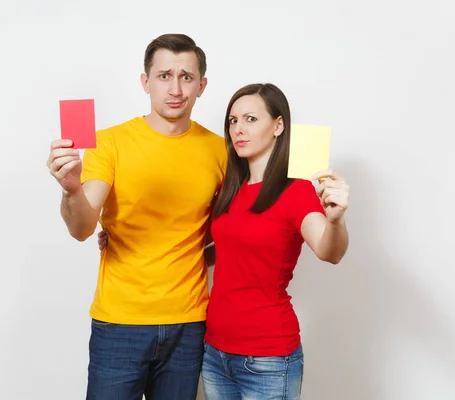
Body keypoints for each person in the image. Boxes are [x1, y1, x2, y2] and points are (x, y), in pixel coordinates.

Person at [98, 82, 350, 399]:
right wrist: (126, 235)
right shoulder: (230, 188)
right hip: (215, 352)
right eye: (232, 120)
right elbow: (214, 247)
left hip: (268, 358)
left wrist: (336, 220)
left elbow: (330, 251)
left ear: (278, 125)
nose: (238, 129)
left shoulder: (295, 190)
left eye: (250, 119)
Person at [46, 33, 226, 400]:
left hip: (188, 322)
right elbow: (82, 227)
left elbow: (227, 231)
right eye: (163, 76)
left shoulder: (219, 150)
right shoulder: (110, 142)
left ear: (202, 85)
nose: (175, 88)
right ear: (145, 82)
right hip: (120, 322)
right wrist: (70, 190)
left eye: (186, 77)